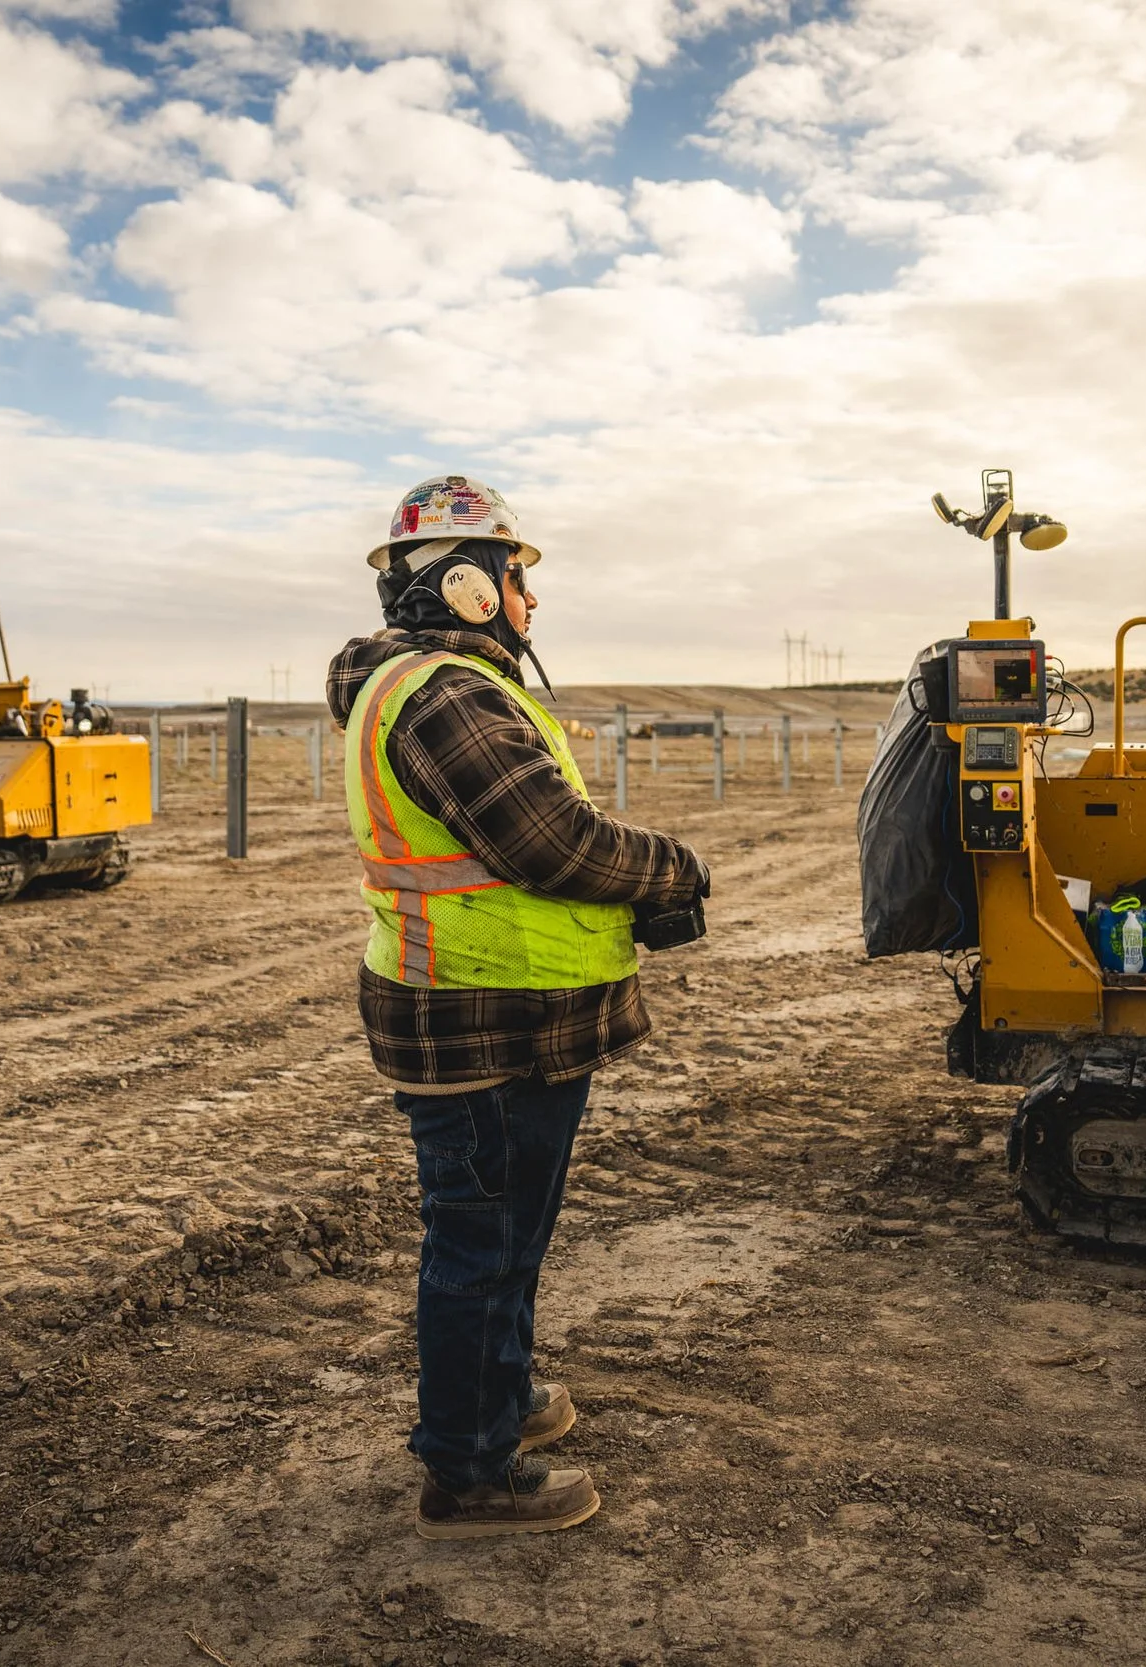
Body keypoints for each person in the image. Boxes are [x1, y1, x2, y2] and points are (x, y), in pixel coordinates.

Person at [327, 474, 709, 1539]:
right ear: (469, 585)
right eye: (516, 578)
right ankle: (468, 1467)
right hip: (481, 1015)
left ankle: (498, 1395)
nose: (530, 603)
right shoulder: (447, 695)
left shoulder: (434, 684)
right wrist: (672, 868)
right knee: (482, 1241)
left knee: (507, 1229)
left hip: (505, 1011)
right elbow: (552, 843)